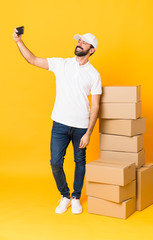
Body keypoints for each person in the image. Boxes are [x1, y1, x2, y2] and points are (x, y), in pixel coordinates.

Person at [12, 27, 102, 214]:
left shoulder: (94, 74)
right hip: (60, 124)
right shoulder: (62, 64)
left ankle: (76, 197)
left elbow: (95, 106)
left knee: (80, 162)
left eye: (84, 43)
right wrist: (18, 41)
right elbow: (33, 60)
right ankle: (65, 196)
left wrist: (89, 132)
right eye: (79, 41)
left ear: (91, 50)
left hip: (81, 127)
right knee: (55, 162)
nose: (79, 44)